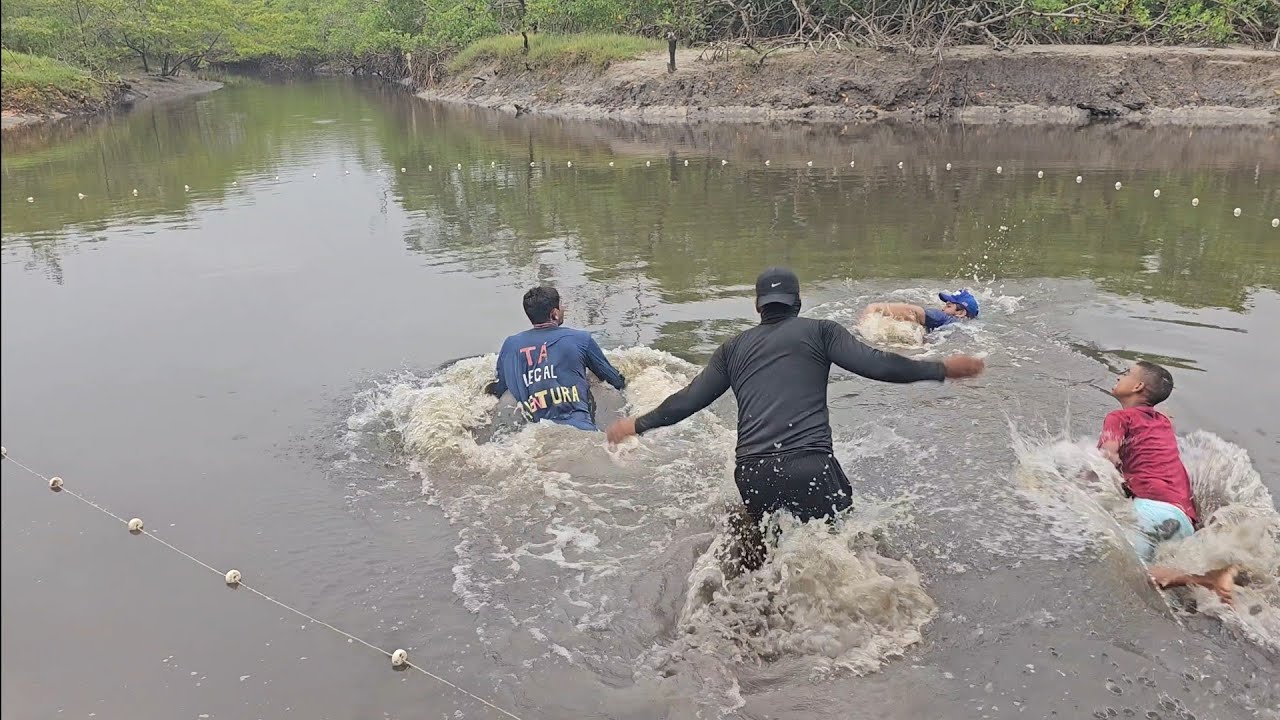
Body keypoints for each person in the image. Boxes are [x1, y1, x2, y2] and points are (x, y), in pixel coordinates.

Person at [606, 267, 985, 543]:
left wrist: (635, 425)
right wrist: (941, 369)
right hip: (810, 466)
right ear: (798, 303)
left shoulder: (731, 349)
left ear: (757, 306)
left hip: (753, 473)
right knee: (845, 548)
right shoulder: (822, 332)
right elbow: (878, 365)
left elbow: (688, 400)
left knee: (761, 559)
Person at [1098, 360, 1237, 605]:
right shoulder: (1162, 422)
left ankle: (1208, 579)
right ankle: (1227, 576)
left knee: (1135, 577)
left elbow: (1108, 455)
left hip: (1151, 511)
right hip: (1183, 520)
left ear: (1138, 386)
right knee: (1160, 583)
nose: (1120, 375)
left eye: (1127, 372)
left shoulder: (1118, 417)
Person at [485, 286, 626, 431]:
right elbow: (614, 380)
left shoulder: (511, 345)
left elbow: (499, 389)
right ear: (555, 313)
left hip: (534, 435)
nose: (563, 308)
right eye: (561, 305)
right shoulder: (581, 339)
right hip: (582, 431)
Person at [863, 289, 980, 333]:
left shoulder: (944, 318)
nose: (942, 309)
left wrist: (875, 308)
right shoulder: (968, 327)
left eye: (948, 306)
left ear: (961, 313)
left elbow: (916, 312)